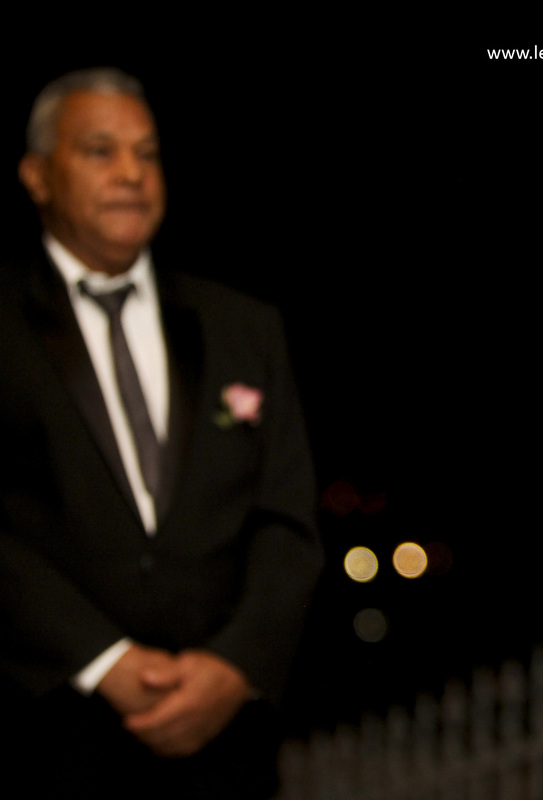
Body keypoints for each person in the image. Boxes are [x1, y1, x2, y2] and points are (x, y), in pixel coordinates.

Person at [0, 68, 322, 798]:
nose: (130, 175)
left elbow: (286, 521)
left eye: (147, 154)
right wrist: (104, 660)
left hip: (225, 750)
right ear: (37, 174)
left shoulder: (243, 325)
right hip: (43, 735)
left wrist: (235, 666)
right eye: (101, 151)